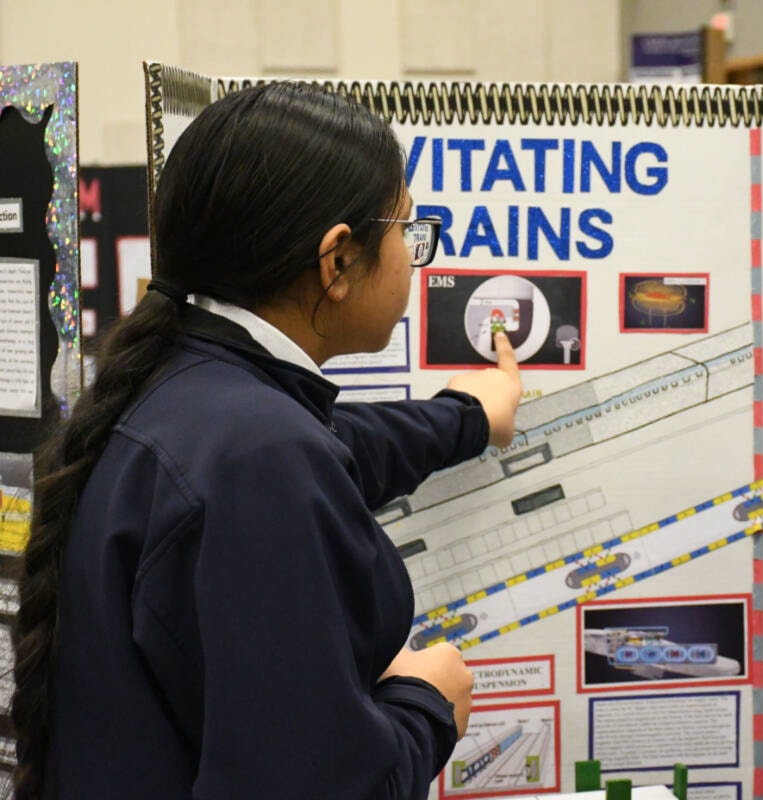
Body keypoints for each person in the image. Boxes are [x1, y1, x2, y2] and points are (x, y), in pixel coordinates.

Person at [10, 81, 522, 799]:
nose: (415, 252)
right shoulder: (261, 455)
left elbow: (336, 441)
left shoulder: (188, 391)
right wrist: (427, 706)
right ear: (338, 261)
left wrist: (466, 416)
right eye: (408, 229)